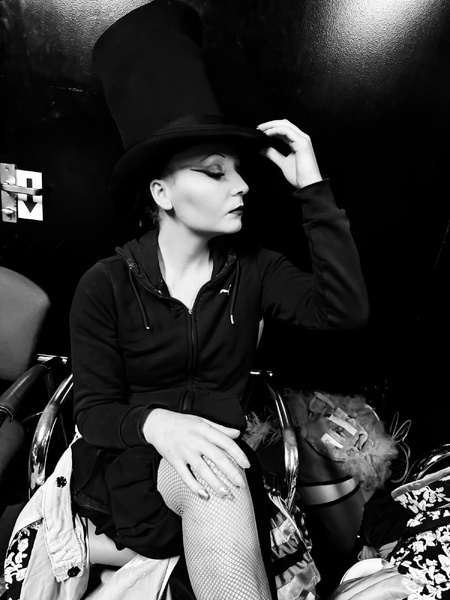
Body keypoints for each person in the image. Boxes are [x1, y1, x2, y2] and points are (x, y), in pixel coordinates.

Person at [68, 1, 369, 599]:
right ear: (162, 193)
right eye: (214, 172)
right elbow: (94, 411)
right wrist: (160, 424)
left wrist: (312, 188)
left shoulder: (255, 269)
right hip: (131, 470)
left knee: (216, 474)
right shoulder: (105, 284)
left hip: (221, 467)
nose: (243, 185)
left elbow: (344, 310)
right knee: (212, 474)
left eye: (237, 169)